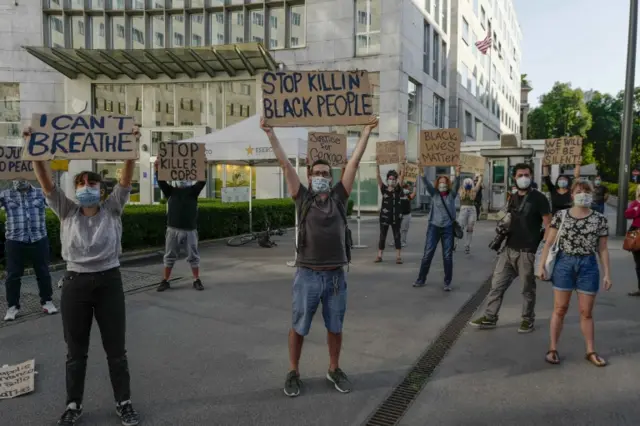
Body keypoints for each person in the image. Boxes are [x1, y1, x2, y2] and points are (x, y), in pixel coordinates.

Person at [26, 125, 141, 426]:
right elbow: (47, 184)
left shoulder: (113, 208)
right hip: (75, 286)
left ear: (102, 190)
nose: (87, 186)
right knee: (75, 352)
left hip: (109, 283)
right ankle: (73, 405)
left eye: (92, 182)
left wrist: (131, 148)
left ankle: (124, 402)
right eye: (82, 182)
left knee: (116, 350)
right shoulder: (66, 210)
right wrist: (35, 150)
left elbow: (126, 181)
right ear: (76, 189)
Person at [261, 116, 378, 398]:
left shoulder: (339, 197)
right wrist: (270, 134)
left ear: (331, 178)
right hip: (307, 275)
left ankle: (334, 368)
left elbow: (354, 162)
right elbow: (284, 164)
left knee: (335, 326)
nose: (322, 178)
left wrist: (365, 132)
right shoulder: (302, 198)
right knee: (299, 325)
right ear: (310, 177)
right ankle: (293, 371)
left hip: (336, 275)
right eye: (317, 174)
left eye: (326, 174)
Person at [469, 163, 551, 332]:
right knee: (496, 285)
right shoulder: (512, 197)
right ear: (514, 177)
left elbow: (549, 225)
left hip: (527, 252)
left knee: (527, 290)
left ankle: (527, 319)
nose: (524, 178)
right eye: (520, 175)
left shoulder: (539, 198)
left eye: (527, 175)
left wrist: (545, 251)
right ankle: (490, 317)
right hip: (508, 249)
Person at [538, 181, 611, 366]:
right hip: (564, 263)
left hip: (588, 265)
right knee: (560, 309)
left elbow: (602, 248)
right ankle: (552, 348)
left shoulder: (599, 219)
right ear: (572, 195)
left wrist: (607, 274)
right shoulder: (561, 216)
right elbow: (548, 242)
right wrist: (541, 265)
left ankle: (590, 351)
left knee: (586, 312)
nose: (583, 194)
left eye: (587, 191)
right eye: (579, 191)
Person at [0, 178, 57, 321]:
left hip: (39, 238)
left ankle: (47, 301)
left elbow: (57, 204)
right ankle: (12, 306)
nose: (20, 180)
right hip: (15, 241)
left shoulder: (40, 193)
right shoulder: (5, 194)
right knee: (13, 275)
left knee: (43, 272)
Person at [154, 160, 206, 292]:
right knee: (169, 255)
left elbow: (202, 180)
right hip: (173, 229)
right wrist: (156, 168)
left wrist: (203, 164)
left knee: (193, 256)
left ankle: (196, 279)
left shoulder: (193, 191)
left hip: (190, 230)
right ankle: (165, 280)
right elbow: (161, 181)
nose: (183, 180)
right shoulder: (170, 191)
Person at [414, 166, 461, 291]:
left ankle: (447, 282)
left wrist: (457, 174)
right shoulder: (434, 194)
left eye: (444, 183)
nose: (442, 185)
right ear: (437, 184)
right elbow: (426, 184)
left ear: (448, 184)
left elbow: (457, 184)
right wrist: (422, 173)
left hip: (448, 229)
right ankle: (421, 279)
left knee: (447, 256)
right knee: (427, 254)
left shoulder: (451, 195)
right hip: (434, 227)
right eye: (440, 182)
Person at [375, 162, 405, 263]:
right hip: (384, 217)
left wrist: (403, 165)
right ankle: (379, 255)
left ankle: (398, 257)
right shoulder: (384, 189)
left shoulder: (398, 190)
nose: (391, 180)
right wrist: (377, 165)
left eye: (393, 179)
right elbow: (378, 177)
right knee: (382, 236)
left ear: (396, 180)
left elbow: (402, 176)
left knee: (397, 236)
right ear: (387, 179)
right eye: (390, 178)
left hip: (396, 217)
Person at [457, 175, 483, 254]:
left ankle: (467, 245)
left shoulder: (473, 190)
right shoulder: (461, 190)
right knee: (459, 227)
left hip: (472, 209)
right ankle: (454, 243)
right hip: (464, 210)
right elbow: (456, 182)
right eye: (466, 182)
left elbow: (478, 183)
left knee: (470, 228)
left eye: (469, 182)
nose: (468, 184)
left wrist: (479, 176)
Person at [624, 185, 640, 297]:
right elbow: (628, 214)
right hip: (636, 233)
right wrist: (637, 207)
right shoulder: (635, 203)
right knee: (638, 263)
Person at [400, 181, 417, 247]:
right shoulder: (398, 191)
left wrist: (415, 186)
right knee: (397, 229)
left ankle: (403, 241)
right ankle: (397, 241)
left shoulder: (407, 193)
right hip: (399, 213)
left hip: (406, 214)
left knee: (403, 229)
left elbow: (412, 196)